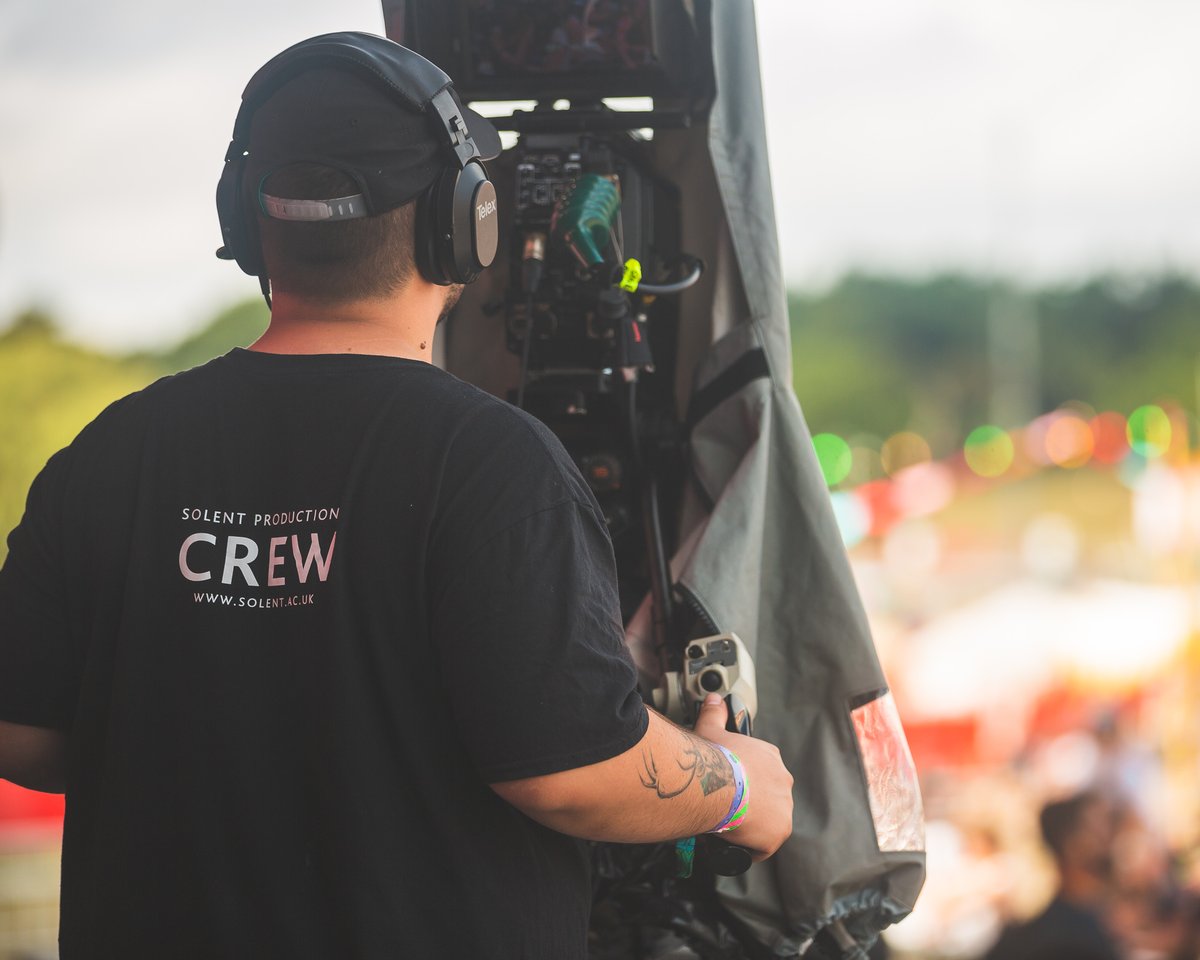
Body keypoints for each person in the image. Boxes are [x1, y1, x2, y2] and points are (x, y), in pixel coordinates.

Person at [0, 32, 794, 960]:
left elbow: (21, 733)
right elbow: (572, 770)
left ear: (245, 222)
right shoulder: (492, 465)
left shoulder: (110, 452)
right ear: (462, 225)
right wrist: (737, 786)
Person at [982, 790, 1121, 960]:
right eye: (1100, 829)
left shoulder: (1102, 918)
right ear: (1073, 846)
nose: (1111, 838)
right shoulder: (1065, 937)